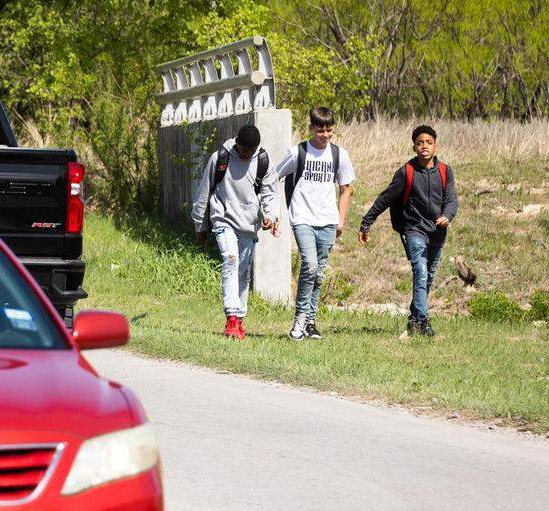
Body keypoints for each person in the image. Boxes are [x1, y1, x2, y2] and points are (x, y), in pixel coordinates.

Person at [358, 125, 458, 337]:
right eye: (420, 143)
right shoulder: (406, 172)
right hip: (414, 230)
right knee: (420, 273)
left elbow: (451, 200)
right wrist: (367, 222)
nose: (424, 146)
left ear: (435, 146)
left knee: (428, 276)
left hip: (438, 231)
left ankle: (413, 319)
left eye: (428, 143)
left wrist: (447, 216)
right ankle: (424, 321)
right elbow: (386, 198)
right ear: (414, 147)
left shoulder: (445, 171)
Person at [191, 124, 281, 339]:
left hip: (249, 223)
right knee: (231, 259)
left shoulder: (262, 161)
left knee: (243, 271)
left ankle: (240, 319)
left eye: (251, 151)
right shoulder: (220, 157)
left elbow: (270, 193)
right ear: (237, 143)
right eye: (244, 150)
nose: (247, 154)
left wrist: (270, 216)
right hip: (223, 218)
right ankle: (230, 318)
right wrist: (200, 225)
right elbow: (204, 191)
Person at [276, 107, 356, 340]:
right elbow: (274, 176)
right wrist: (275, 211)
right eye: (320, 129)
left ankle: (311, 321)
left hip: (328, 221)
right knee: (309, 265)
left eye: (329, 130)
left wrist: (340, 220)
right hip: (302, 218)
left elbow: (346, 188)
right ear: (311, 127)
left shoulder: (340, 155)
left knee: (319, 273)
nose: (325, 134)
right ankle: (300, 317)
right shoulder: (298, 152)